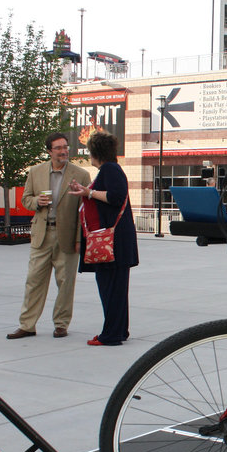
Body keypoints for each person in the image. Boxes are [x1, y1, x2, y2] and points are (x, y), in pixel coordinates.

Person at [7, 133, 92, 339]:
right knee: (34, 281)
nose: (63, 151)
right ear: (49, 151)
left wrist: (80, 239)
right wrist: (36, 201)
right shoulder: (35, 172)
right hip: (41, 235)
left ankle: (61, 324)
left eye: (65, 147)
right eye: (58, 148)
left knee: (65, 283)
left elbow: (84, 210)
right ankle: (27, 325)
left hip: (68, 236)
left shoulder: (80, 175)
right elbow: (25, 199)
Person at [68, 132, 138, 346]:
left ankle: (111, 334)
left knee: (111, 289)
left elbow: (115, 197)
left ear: (95, 152)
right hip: (116, 242)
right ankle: (118, 330)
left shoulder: (109, 169)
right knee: (115, 288)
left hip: (111, 244)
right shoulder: (112, 169)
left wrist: (88, 193)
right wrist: (85, 191)